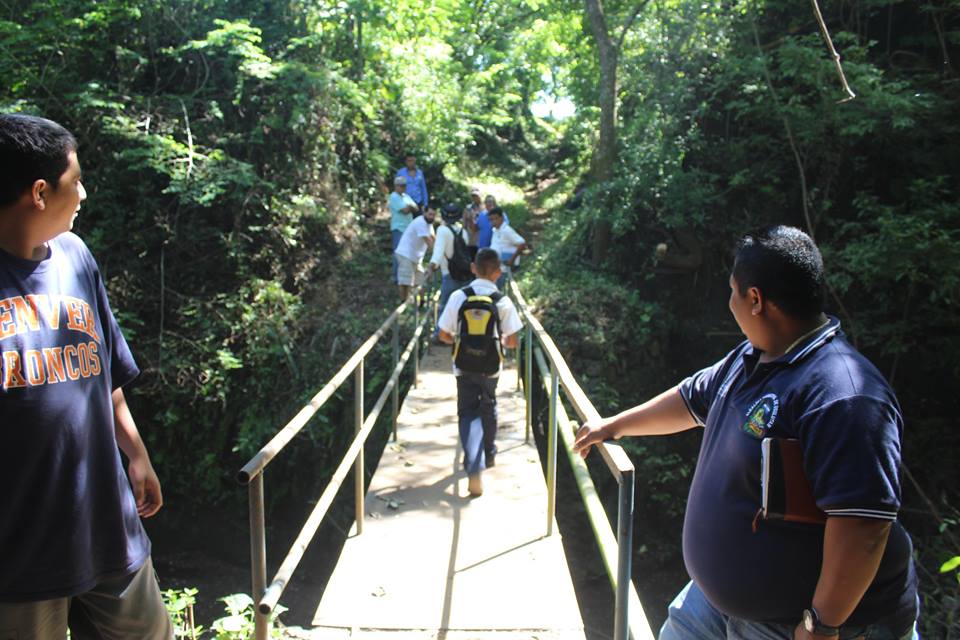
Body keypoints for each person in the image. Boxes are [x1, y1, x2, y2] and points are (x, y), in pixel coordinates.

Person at [573, 226, 919, 640]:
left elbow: (863, 524)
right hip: (713, 605)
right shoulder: (753, 355)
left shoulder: (843, 395)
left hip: (796, 625)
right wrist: (615, 426)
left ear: (756, 300)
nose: (730, 302)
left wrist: (822, 624)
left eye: (734, 291)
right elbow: (689, 398)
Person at [0, 114, 173, 638]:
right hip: (20, 552)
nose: (83, 192)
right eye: (74, 181)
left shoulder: (76, 257)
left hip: (107, 523)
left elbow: (104, 373)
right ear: (38, 192)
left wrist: (135, 452)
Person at [438, 248, 523, 497]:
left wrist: (460, 340)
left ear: (473, 268)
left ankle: (473, 464)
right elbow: (513, 342)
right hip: (491, 368)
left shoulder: (457, 296)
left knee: (467, 412)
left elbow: (443, 334)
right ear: (498, 272)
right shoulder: (503, 301)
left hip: (463, 365)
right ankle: (489, 452)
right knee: (489, 405)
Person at [429, 203, 472, 341]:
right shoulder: (462, 231)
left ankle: (439, 335)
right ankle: (462, 334)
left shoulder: (442, 230)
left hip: (450, 274)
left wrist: (431, 267)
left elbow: (438, 252)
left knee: (445, 305)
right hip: (465, 274)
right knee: (463, 305)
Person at [394, 201, 436, 301]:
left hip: (415, 257)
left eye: (434, 215)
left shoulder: (428, 224)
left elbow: (434, 239)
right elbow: (429, 242)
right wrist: (439, 257)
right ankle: (405, 303)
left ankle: (421, 302)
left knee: (420, 280)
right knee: (406, 282)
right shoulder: (420, 222)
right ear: (424, 213)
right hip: (406, 254)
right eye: (430, 214)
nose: (432, 217)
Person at [488, 207, 531, 289]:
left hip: (504, 269)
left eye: (495, 219)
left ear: (502, 218)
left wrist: (512, 259)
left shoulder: (506, 230)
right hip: (496, 268)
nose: (493, 221)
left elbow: (522, 244)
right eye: (491, 219)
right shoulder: (495, 231)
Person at [388, 175, 418, 282]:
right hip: (398, 228)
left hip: (408, 229)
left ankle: (405, 275)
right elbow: (405, 210)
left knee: (407, 252)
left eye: (404, 185)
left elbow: (416, 208)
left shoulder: (406, 196)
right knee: (398, 252)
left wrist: (409, 207)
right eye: (400, 186)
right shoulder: (394, 196)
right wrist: (410, 207)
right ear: (396, 186)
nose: (402, 187)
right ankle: (395, 276)